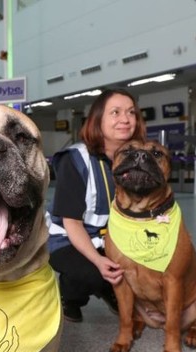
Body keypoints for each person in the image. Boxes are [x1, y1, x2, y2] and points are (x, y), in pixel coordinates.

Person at [47, 89, 146, 323]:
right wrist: (98, 259)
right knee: (89, 273)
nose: (125, 119)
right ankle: (71, 296)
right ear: (98, 119)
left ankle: (109, 285)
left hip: (114, 238)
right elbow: (72, 223)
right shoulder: (76, 160)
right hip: (68, 239)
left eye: (131, 112)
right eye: (115, 112)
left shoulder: (137, 158)